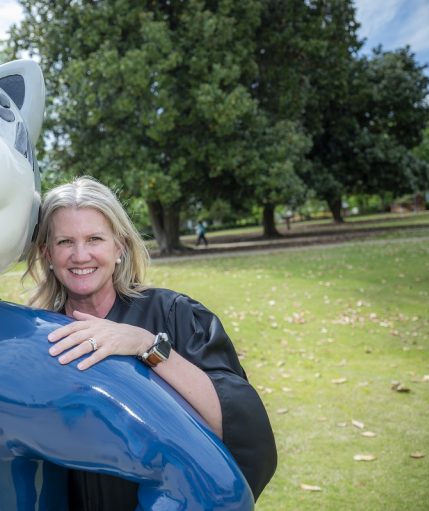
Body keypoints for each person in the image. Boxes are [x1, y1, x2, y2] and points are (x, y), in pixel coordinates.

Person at [24, 177, 277, 509]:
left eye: (95, 239)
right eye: (65, 242)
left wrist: (145, 344)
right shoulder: (38, 336)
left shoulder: (174, 314)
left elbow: (242, 432)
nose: (80, 254)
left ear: (120, 247)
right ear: (48, 254)